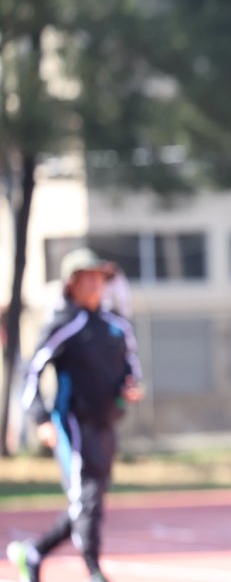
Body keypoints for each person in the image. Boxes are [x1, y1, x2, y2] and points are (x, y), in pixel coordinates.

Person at [7, 248, 143, 582]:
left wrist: (130, 387)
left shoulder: (117, 325)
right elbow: (31, 372)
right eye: (89, 277)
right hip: (72, 424)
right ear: (73, 283)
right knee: (87, 499)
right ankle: (94, 569)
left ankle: (33, 553)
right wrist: (40, 418)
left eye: (100, 276)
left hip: (107, 423)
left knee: (87, 502)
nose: (97, 283)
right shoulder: (64, 324)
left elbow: (131, 368)